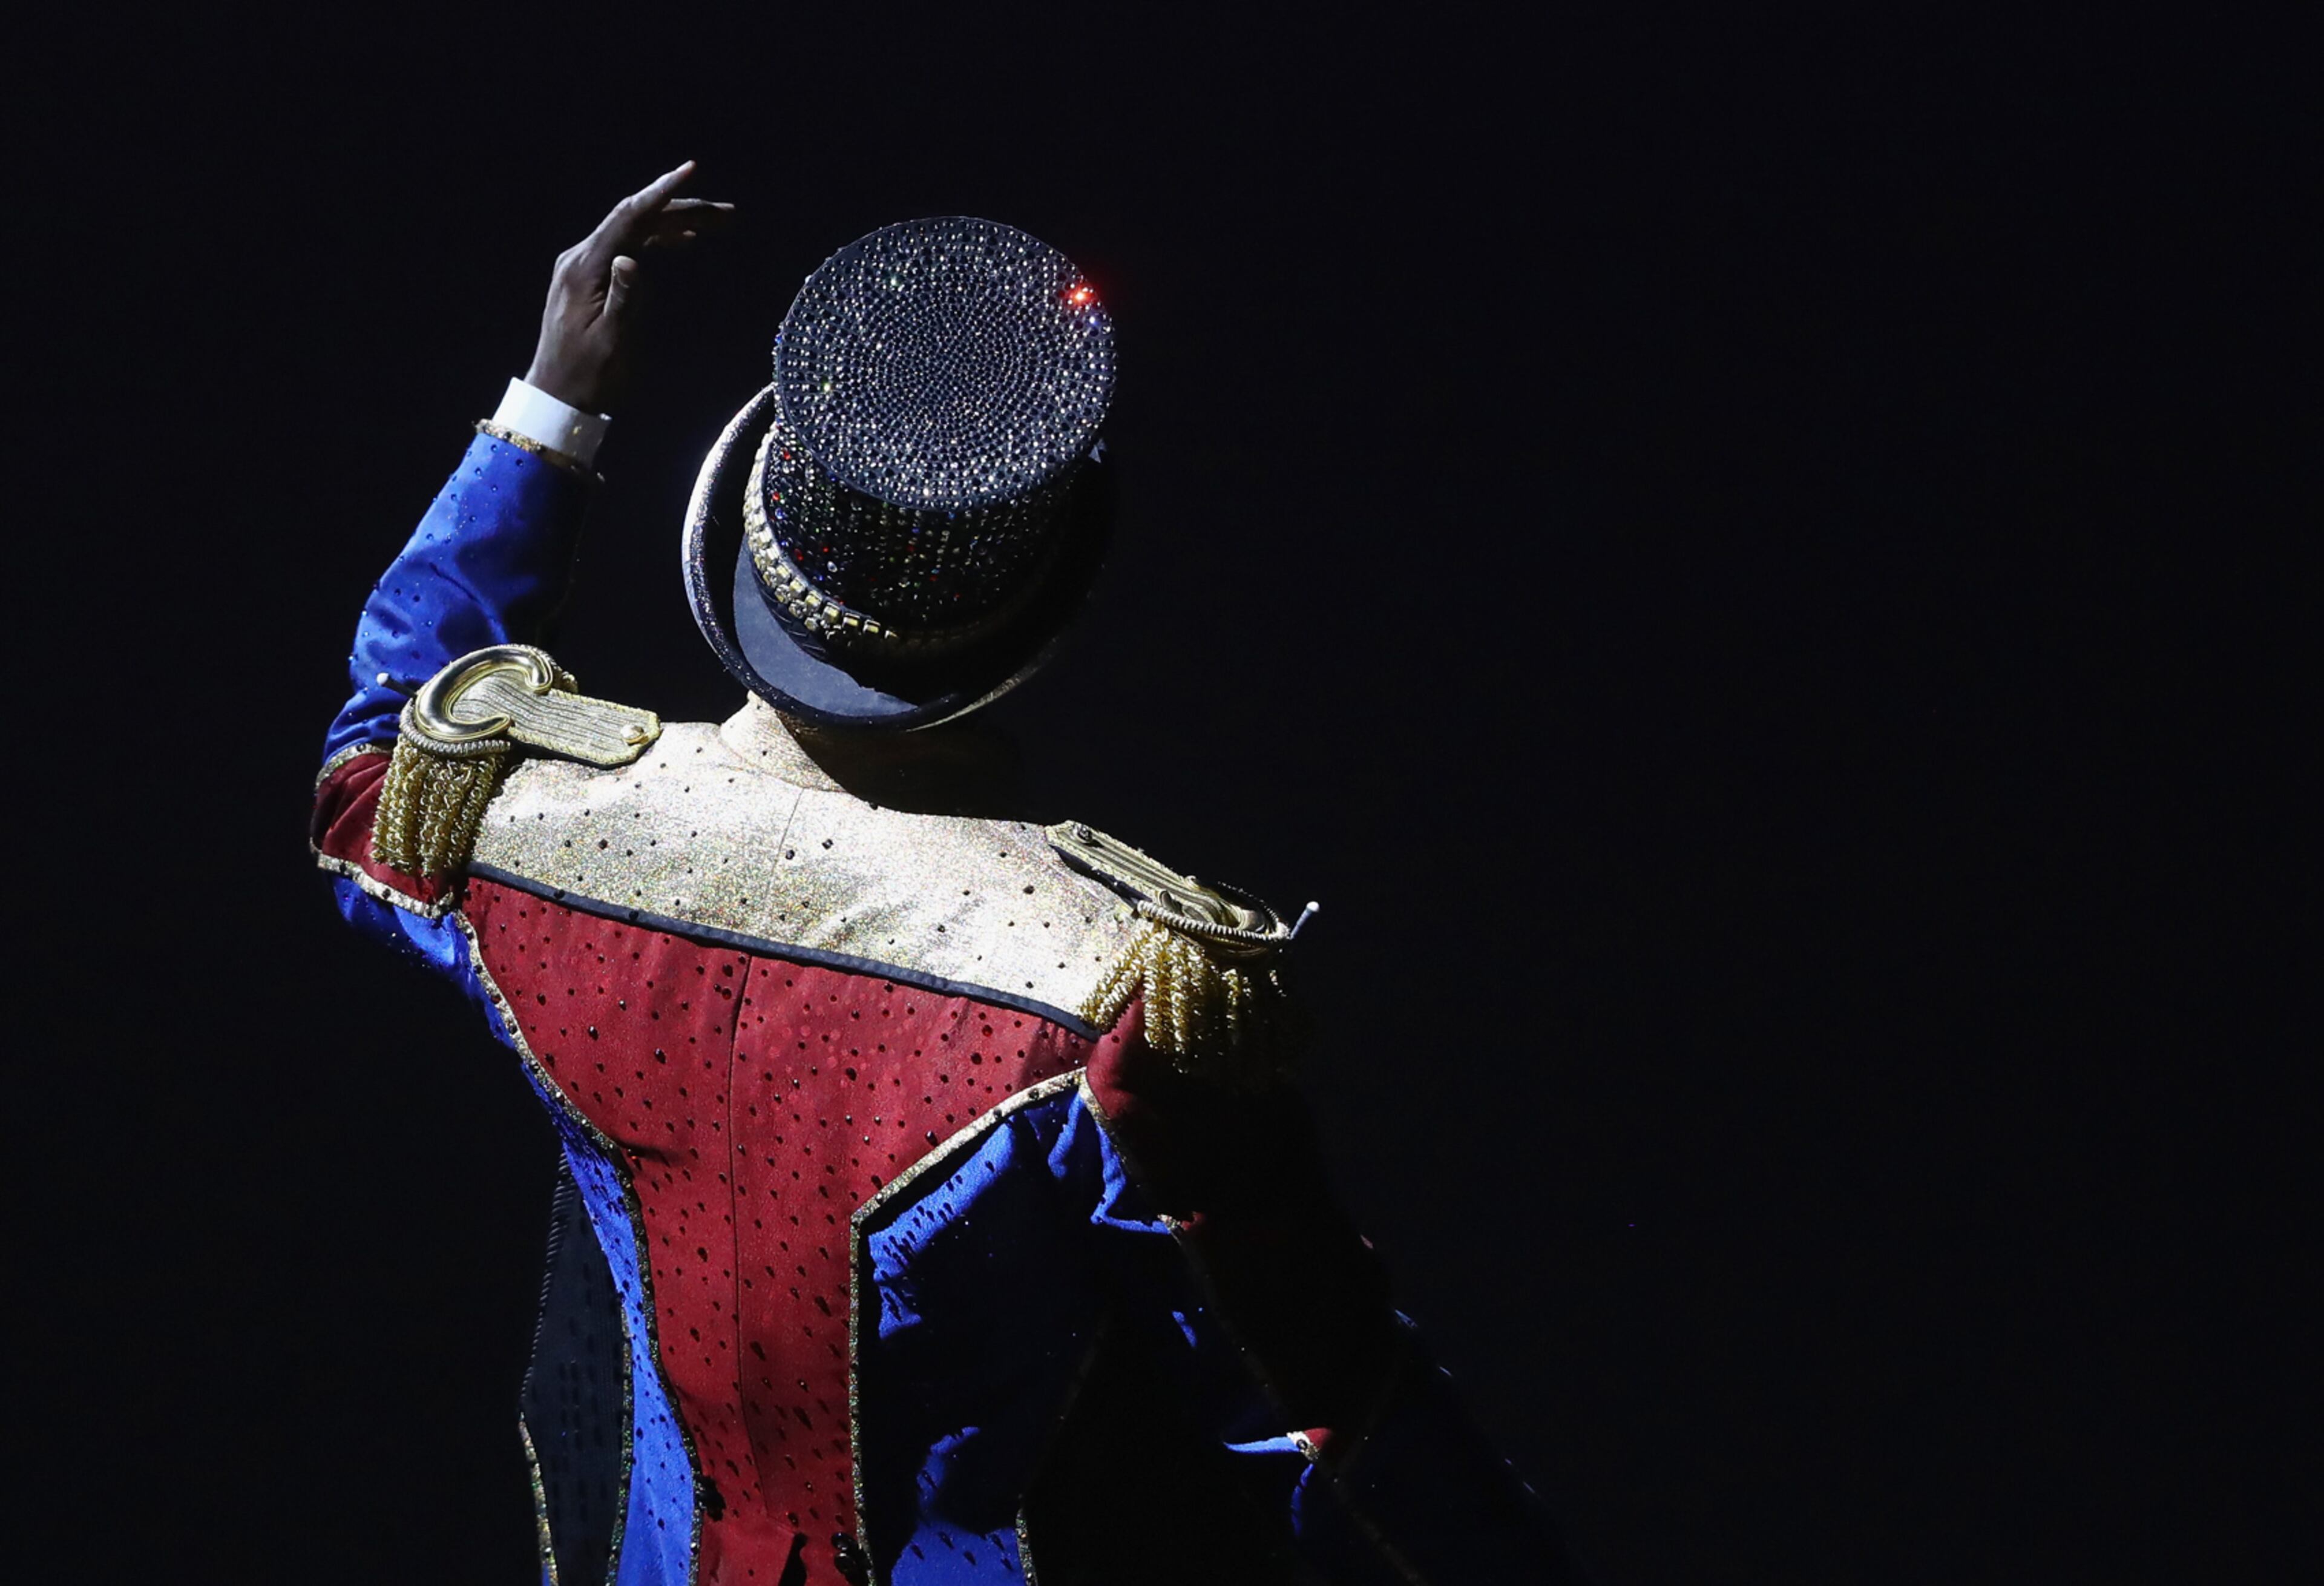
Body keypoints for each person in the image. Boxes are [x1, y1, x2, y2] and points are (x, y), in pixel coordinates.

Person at [313, 164, 1575, 1586]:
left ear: (751, 531)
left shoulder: (524, 839)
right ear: (1036, 611)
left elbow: (374, 742)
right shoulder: (1105, 1003)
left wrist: (550, 410)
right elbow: (1347, 1438)